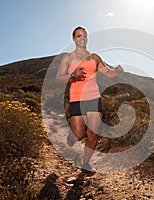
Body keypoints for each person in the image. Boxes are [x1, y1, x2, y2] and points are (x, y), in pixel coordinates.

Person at [56, 26, 124, 173]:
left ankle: (85, 163)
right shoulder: (69, 58)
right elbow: (59, 78)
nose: (83, 38)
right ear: (74, 39)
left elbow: (108, 73)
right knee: (79, 134)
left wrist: (116, 71)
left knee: (93, 133)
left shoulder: (94, 58)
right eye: (79, 36)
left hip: (94, 98)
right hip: (76, 99)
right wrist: (72, 75)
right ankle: (72, 135)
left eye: (85, 36)